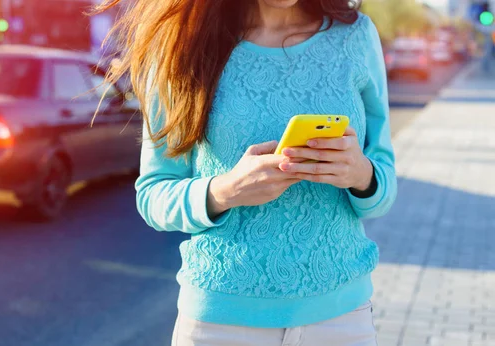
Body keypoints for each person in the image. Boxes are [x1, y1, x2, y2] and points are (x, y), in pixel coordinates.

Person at [93, 0, 397, 344]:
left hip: (342, 320)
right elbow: (153, 195)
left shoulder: (355, 34)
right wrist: (225, 190)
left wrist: (361, 176)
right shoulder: (181, 43)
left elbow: (383, 189)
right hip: (221, 323)